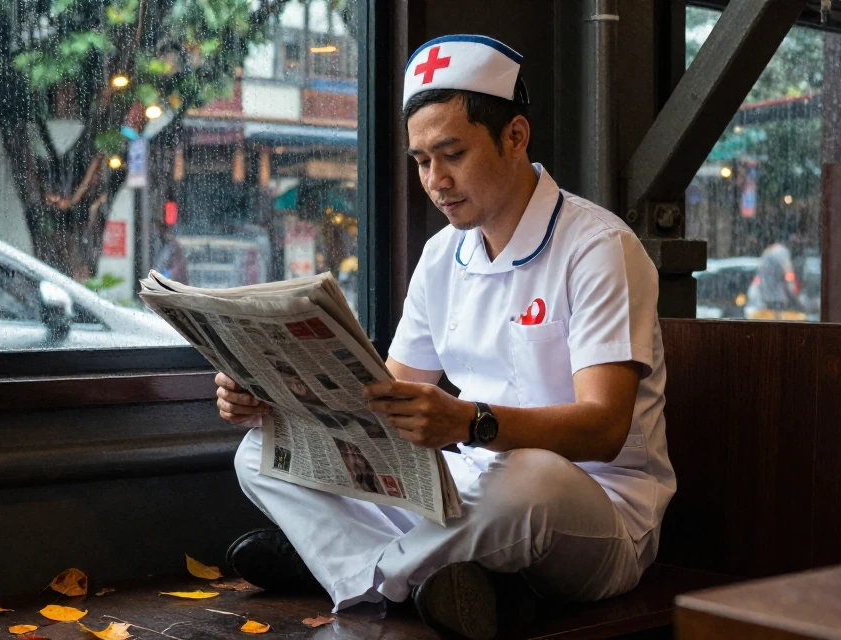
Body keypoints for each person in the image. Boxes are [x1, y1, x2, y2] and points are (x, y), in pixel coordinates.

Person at [215, 34, 674, 640]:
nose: (435, 181)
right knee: (259, 452)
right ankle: (442, 580)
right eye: (421, 160)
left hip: (594, 508)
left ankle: (354, 576)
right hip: (471, 485)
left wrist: (467, 422)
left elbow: (604, 429)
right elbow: (386, 399)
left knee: (528, 476)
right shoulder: (441, 256)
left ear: (515, 136)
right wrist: (274, 398)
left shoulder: (598, 248)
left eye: (452, 153)